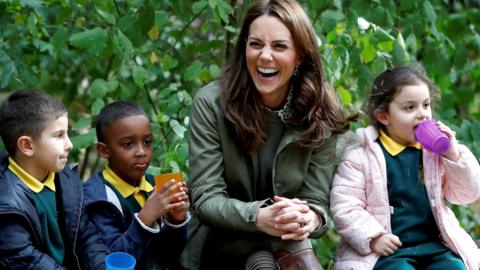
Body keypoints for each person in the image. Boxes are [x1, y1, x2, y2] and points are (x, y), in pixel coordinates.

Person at [187, 0, 355, 269]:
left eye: (279, 46)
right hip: (220, 241)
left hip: (286, 240)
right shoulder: (212, 103)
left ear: (300, 55)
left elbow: (316, 202)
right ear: (244, 50)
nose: (265, 56)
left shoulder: (320, 113)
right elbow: (206, 200)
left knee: (278, 256)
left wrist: (309, 218)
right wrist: (259, 216)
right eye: (256, 44)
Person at [330, 66, 480, 270]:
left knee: (456, 268)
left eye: (426, 105)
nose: (422, 115)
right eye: (409, 108)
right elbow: (345, 206)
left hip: (434, 246)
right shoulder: (361, 156)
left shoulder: (434, 153)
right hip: (388, 251)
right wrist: (374, 238)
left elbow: (466, 194)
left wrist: (454, 155)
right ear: (384, 116)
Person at [0, 89, 108, 269]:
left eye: (67, 134)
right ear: (27, 145)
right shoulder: (6, 208)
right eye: (59, 136)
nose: (70, 145)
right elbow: (30, 262)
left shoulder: (65, 178)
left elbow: (86, 236)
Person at [83, 101, 191, 270]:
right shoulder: (98, 198)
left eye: (147, 142)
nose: (141, 152)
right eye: (128, 144)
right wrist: (145, 219)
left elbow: (166, 256)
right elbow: (111, 263)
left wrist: (175, 220)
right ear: (104, 151)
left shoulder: (154, 186)